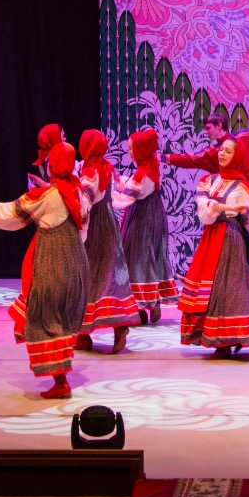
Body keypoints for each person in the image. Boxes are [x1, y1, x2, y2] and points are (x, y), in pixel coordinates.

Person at [0, 142, 90, 399]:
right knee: (61, 314)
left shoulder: (46, 196)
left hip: (53, 259)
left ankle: (61, 382)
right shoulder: (76, 189)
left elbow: (13, 212)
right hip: (75, 258)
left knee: (45, 315)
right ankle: (61, 374)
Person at [179, 138, 249, 357]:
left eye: (228, 151)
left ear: (237, 156)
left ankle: (226, 341)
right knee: (211, 289)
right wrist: (232, 206)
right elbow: (205, 211)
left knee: (229, 289)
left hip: (230, 240)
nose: (221, 154)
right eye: (221, 149)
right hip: (210, 239)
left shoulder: (243, 187)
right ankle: (222, 338)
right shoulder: (207, 181)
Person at [75, 129, 137, 354]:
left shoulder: (90, 171)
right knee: (111, 275)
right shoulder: (107, 168)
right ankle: (119, 324)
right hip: (109, 223)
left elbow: (85, 202)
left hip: (94, 226)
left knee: (89, 275)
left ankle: (83, 334)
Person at [119, 129, 178, 323]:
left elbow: (127, 196)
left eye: (131, 148)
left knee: (137, 258)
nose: (128, 152)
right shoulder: (150, 167)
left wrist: (109, 193)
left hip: (142, 219)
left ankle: (146, 304)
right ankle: (147, 303)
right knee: (149, 256)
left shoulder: (142, 173)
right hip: (153, 215)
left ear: (141, 149)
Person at [164, 104, 249, 186]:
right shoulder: (213, 152)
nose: (206, 132)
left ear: (219, 125)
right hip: (230, 195)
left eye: (208, 128)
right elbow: (189, 159)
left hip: (248, 192)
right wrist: (163, 158)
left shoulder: (243, 137)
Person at [28, 123, 64, 189]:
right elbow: (61, 186)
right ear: (55, 138)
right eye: (63, 136)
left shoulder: (44, 156)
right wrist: (42, 183)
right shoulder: (55, 157)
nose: (65, 139)